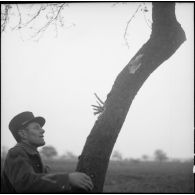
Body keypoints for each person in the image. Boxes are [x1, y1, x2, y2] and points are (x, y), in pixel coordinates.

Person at [1, 111, 93, 193]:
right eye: (36, 128)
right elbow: (25, 183)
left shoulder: (33, 155)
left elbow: (43, 185)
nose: (42, 130)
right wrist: (67, 179)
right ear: (23, 134)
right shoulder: (16, 152)